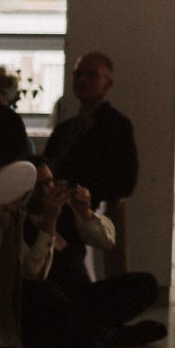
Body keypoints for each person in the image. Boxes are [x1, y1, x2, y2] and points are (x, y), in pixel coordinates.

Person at [19, 163, 165, 348]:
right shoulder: (17, 223)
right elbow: (33, 273)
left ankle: (90, 331)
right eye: (37, 186)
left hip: (83, 297)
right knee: (40, 294)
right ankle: (108, 336)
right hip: (55, 304)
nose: (46, 191)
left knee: (146, 284)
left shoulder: (67, 212)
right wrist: (49, 221)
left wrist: (85, 212)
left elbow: (107, 242)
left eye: (48, 183)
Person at [43, 52, 138, 296]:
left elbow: (125, 181)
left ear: (108, 83)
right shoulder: (65, 127)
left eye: (91, 75)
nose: (82, 80)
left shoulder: (117, 125)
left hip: (87, 202)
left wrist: (77, 191)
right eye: (78, 74)